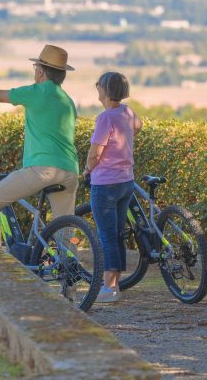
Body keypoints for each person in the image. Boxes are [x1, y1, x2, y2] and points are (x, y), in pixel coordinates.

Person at [0, 44, 80, 245]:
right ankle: (70, 272)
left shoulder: (36, 92)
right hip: (69, 171)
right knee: (64, 230)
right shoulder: (67, 101)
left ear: (40, 71)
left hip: (42, 169)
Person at [83, 71, 142, 302]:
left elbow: (94, 153)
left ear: (105, 91)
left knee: (106, 235)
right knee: (116, 233)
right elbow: (138, 126)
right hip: (126, 181)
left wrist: (88, 169)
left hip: (105, 183)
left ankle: (109, 288)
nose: (97, 90)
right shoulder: (127, 112)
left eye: (99, 87)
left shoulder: (105, 118)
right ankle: (115, 283)